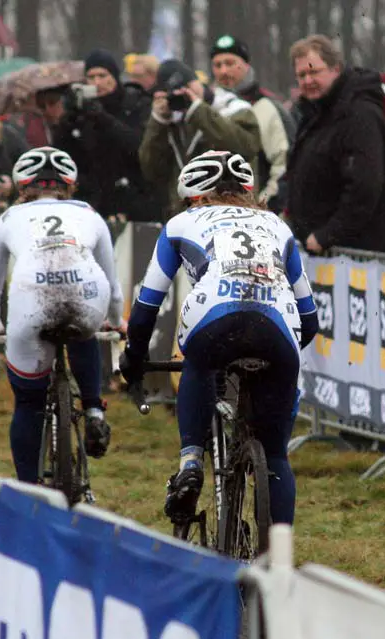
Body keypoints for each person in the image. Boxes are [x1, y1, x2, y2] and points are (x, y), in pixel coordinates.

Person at [118, 150, 318, 525]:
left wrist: (134, 356)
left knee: (199, 361)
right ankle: (278, 562)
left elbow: (148, 303)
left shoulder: (181, 222)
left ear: (193, 196)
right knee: (275, 457)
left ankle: (191, 461)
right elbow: (309, 319)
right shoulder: (277, 225)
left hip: (214, 315)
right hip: (278, 323)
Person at [0, 147, 125, 493]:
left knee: (28, 402)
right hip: (88, 294)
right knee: (84, 328)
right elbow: (114, 289)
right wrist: (116, 321)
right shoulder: (89, 213)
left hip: (32, 299)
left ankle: (29, 491)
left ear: (20, 186)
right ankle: (93, 412)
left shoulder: (6, 220)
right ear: (69, 184)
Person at [285, 34, 385, 262]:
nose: (308, 80)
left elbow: (365, 186)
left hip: (361, 257)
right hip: (327, 254)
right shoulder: (314, 113)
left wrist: (326, 235)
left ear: (335, 69)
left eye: (314, 72)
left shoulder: (359, 114)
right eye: (302, 75)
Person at [139, 58, 261, 219]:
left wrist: (199, 110)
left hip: (232, 214)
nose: (182, 95)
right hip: (186, 218)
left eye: (187, 87)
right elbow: (151, 170)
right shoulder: (171, 123)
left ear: (196, 80)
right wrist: (158, 121)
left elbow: (247, 147)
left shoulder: (233, 108)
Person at [50, 49, 160, 222]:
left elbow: (138, 147)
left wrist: (103, 118)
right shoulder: (81, 111)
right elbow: (63, 157)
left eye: (102, 76)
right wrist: (67, 122)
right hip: (92, 202)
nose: (97, 82)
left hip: (132, 200)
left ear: (114, 76)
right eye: (91, 77)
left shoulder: (136, 103)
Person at [210, 34, 296, 212]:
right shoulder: (208, 109)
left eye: (230, 63)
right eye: (217, 65)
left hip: (257, 216)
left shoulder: (268, 108)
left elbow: (283, 166)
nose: (223, 71)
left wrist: (261, 207)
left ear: (246, 65)